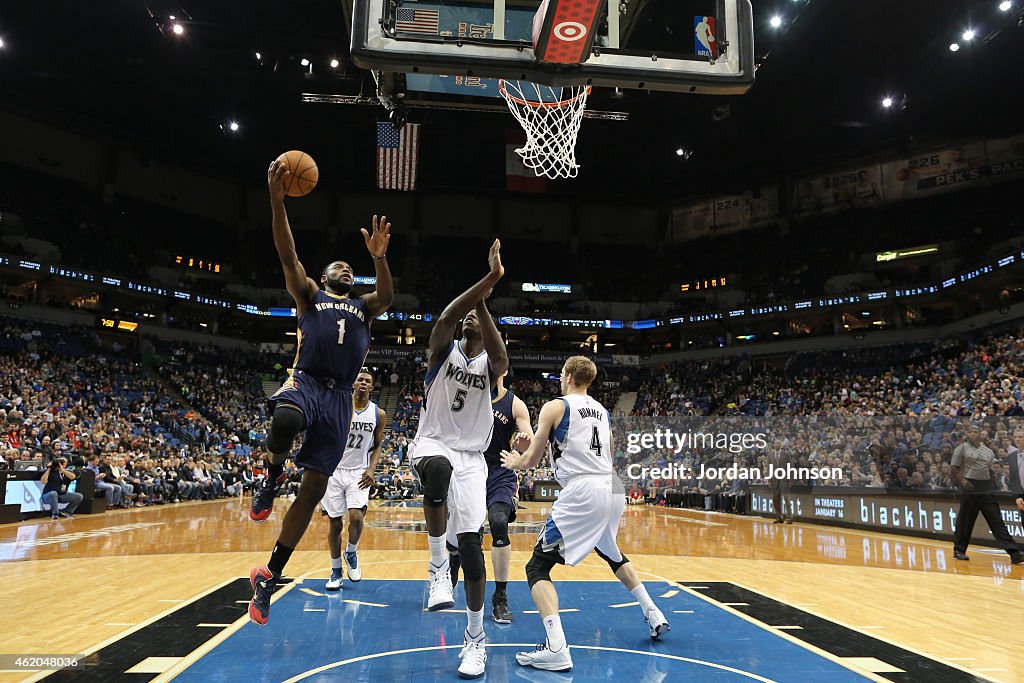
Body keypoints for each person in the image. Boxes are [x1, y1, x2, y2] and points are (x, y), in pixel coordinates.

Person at [247, 159, 394, 626]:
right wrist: (276, 201)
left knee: (311, 493)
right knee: (285, 420)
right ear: (327, 275)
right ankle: (270, 478)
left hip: (338, 399)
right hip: (306, 381)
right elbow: (287, 253)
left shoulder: (364, 307)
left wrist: (378, 256)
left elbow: (387, 297)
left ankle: (269, 577)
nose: (346, 269)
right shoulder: (310, 293)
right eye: (341, 265)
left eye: (352, 268)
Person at [501, 356, 669, 673]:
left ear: (566, 376)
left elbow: (533, 457)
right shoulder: (603, 412)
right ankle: (653, 611)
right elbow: (605, 449)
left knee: (537, 567)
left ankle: (556, 648)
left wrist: (517, 460)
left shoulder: (555, 406)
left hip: (583, 489)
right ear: (589, 381)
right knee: (611, 552)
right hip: (612, 484)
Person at [409, 239, 507, 679]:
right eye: (468, 313)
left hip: (473, 460)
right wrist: (486, 282)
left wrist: (484, 305)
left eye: (477, 317)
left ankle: (474, 639)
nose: (468, 316)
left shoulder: (489, 364)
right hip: (432, 443)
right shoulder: (441, 353)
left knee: (471, 549)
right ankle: (435, 569)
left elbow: (501, 357)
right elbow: (449, 316)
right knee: (438, 470)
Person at [449, 369, 534, 624]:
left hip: (500, 471)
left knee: (498, 523)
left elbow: (528, 437)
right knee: (463, 531)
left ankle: (500, 596)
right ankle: (453, 558)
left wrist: (522, 450)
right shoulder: (468, 396)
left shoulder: (514, 403)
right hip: (468, 467)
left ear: (505, 369)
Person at [323, 369, 386, 590]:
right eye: (359, 379)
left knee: (357, 517)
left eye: (367, 381)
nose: (363, 382)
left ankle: (351, 552)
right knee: (335, 522)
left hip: (358, 471)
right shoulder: (339, 407)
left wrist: (372, 469)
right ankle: (335, 570)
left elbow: (377, 445)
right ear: (353, 383)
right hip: (334, 470)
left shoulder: (378, 414)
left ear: (372, 387)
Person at [950, 425, 1024, 564]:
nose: (973, 434)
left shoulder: (988, 451)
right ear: (967, 434)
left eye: (976, 432)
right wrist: (963, 481)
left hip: (985, 488)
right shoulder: (961, 448)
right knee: (965, 520)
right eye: (970, 432)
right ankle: (959, 550)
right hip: (969, 487)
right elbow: (954, 467)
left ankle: (1014, 553)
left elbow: (991, 470)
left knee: (997, 521)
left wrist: (992, 486)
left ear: (981, 434)